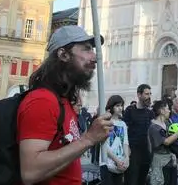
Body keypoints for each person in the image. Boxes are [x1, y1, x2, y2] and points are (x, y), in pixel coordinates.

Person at [17, 25, 114, 185]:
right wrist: (88, 139)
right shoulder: (42, 101)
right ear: (63, 54)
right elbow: (30, 171)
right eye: (86, 49)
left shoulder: (63, 102)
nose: (94, 56)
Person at [123, 84, 154, 185]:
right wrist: (127, 150)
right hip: (133, 152)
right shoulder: (129, 111)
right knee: (131, 181)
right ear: (139, 95)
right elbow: (124, 132)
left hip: (146, 153)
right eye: (146, 94)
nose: (149, 96)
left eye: (150, 94)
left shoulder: (150, 113)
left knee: (142, 180)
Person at [147, 100, 178, 185]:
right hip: (160, 162)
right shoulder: (154, 127)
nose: (169, 111)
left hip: (171, 161)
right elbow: (166, 142)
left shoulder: (167, 123)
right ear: (161, 111)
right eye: (168, 108)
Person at [100, 95, 130, 185]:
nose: (120, 108)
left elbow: (125, 142)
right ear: (111, 107)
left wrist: (127, 158)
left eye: (121, 105)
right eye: (117, 106)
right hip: (107, 164)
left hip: (119, 165)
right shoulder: (105, 122)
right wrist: (116, 160)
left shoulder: (123, 124)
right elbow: (104, 145)